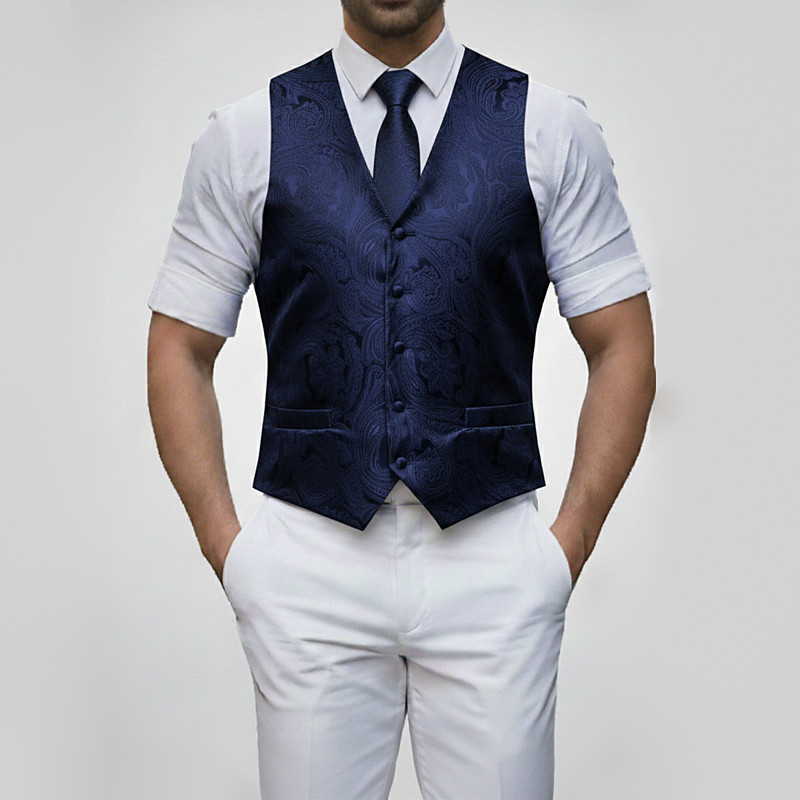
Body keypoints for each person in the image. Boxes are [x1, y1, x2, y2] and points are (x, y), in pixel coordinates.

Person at [146, 1, 656, 797]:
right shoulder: (246, 135)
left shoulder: (550, 128)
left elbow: (622, 342)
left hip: (493, 559)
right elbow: (179, 345)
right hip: (309, 563)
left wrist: (567, 548)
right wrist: (232, 553)